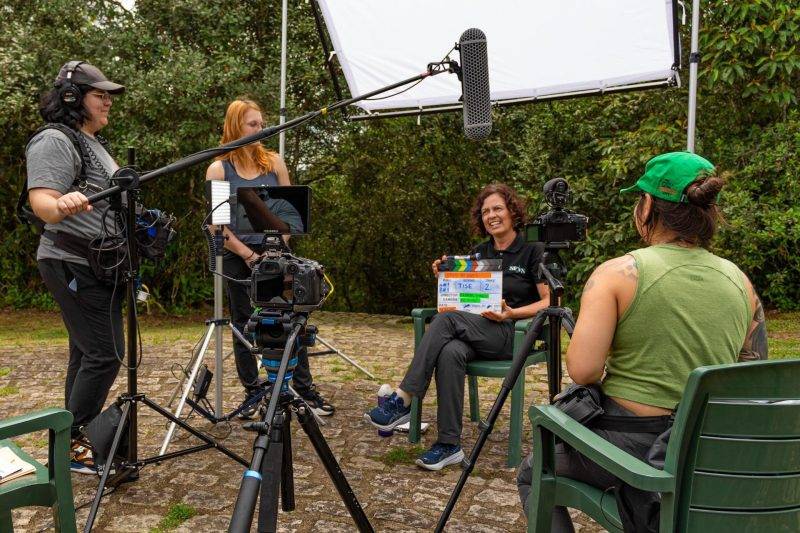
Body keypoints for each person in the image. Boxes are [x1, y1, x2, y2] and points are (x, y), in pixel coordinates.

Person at [516, 152, 767, 531]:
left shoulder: (617, 274)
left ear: (647, 205)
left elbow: (584, 371)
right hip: (705, 450)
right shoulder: (741, 283)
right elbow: (751, 371)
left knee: (532, 471)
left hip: (631, 448)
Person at [364, 183, 550, 470]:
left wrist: (512, 313)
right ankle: (449, 444)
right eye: (486, 211)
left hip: (512, 333)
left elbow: (549, 301)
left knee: (446, 320)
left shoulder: (532, 250)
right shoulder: (479, 253)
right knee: (450, 352)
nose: (491, 216)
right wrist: (444, 276)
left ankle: (403, 399)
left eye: (498, 208)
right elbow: (462, 296)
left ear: (513, 212)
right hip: (475, 331)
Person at [25, 61, 126, 474]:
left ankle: (68, 447)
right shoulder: (55, 139)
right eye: (100, 95)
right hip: (71, 261)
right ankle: (72, 446)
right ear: (72, 98)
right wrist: (60, 203)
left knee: (85, 353)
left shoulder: (92, 142)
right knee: (105, 353)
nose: (108, 102)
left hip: (96, 265)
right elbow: (42, 201)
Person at [205, 98, 334, 418]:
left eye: (262, 124)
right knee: (244, 322)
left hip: (277, 251)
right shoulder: (219, 169)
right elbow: (216, 226)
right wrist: (249, 255)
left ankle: (303, 389)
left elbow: (289, 214)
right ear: (236, 126)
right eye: (253, 124)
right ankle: (253, 391)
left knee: (292, 319)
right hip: (238, 255)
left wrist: (275, 249)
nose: (261, 129)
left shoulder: (274, 162)